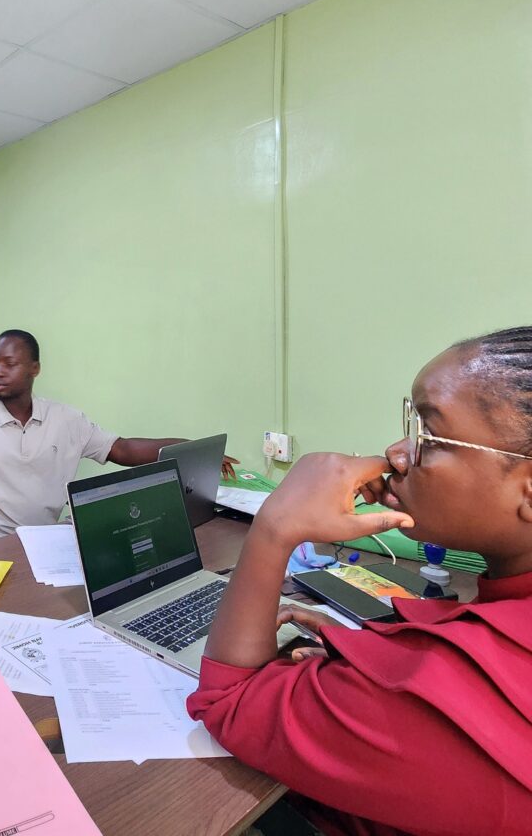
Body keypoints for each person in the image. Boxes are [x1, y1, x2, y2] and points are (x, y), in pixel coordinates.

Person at [187, 327, 532, 836]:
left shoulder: (446, 694)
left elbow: (227, 702)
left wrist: (275, 526)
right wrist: (374, 664)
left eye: (428, 438)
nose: (397, 453)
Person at [0, 329, 237, 545]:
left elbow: (124, 449)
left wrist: (191, 449)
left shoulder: (66, 419)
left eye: (9, 363)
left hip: (47, 542)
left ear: (34, 369)